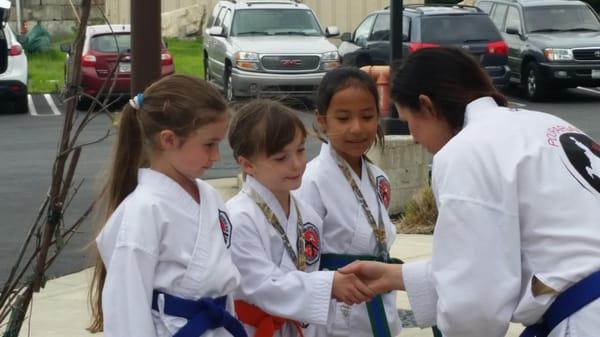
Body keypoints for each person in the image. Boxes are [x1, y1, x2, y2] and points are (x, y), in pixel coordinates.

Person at [340, 47, 600, 337]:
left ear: (427, 106)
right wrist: (397, 276)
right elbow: (489, 261)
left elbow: (475, 300)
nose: (413, 137)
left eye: (408, 121)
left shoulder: (467, 150)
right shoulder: (546, 124)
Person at [88, 75, 247, 337]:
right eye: (209, 145)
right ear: (169, 139)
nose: (216, 156)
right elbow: (127, 309)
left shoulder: (209, 196)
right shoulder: (142, 210)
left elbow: (221, 280)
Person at [226, 99, 374, 337]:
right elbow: (262, 285)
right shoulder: (238, 217)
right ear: (247, 164)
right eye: (281, 158)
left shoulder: (308, 215)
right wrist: (328, 285)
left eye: (300, 150)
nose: (296, 164)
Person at [296, 67, 403, 337]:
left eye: (367, 116)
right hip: (335, 312)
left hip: (378, 299)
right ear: (322, 121)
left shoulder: (378, 178)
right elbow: (302, 261)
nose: (356, 128)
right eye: (343, 118)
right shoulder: (311, 181)